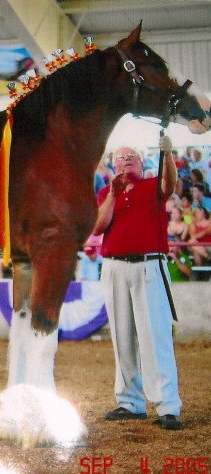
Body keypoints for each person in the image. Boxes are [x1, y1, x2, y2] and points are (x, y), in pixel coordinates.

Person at [92, 136, 183, 430]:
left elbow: (170, 184)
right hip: (115, 267)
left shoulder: (152, 185)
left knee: (155, 336)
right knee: (122, 337)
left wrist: (166, 153)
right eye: (120, 157)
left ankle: (168, 405)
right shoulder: (107, 191)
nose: (126, 160)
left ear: (143, 166)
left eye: (132, 157)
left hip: (149, 265)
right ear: (112, 166)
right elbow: (98, 226)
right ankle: (130, 402)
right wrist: (113, 195)